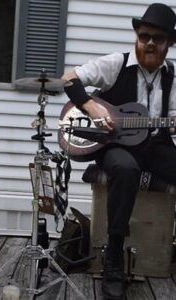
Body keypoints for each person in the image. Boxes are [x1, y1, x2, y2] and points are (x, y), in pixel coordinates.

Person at [62, 3, 176, 300]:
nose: (149, 43)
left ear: (169, 43)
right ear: (138, 36)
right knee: (126, 169)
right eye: (144, 36)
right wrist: (91, 105)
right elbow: (70, 78)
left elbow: (171, 120)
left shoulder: (171, 77)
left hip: (155, 143)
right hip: (115, 143)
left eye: (158, 38)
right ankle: (113, 255)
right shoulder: (116, 63)